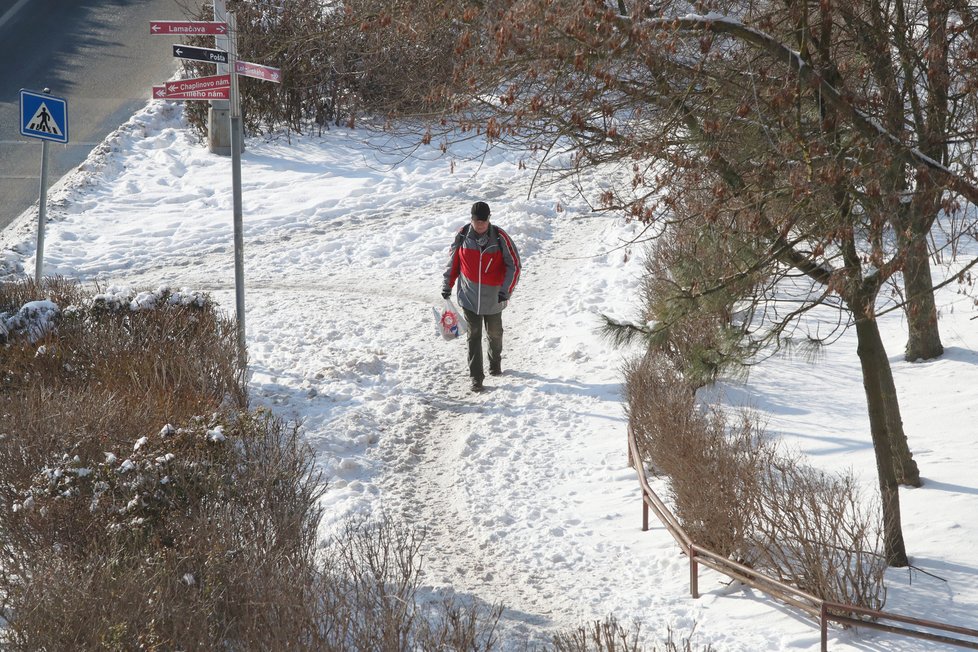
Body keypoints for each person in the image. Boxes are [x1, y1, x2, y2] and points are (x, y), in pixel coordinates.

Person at [442, 201, 521, 392]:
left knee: (495, 334)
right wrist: (447, 284)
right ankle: (476, 377)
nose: (480, 226)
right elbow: (453, 262)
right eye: (477, 222)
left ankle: (495, 362)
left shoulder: (500, 237)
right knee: (474, 335)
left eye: (484, 223)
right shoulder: (463, 235)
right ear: (472, 220)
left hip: (495, 297)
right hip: (469, 297)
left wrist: (506, 290)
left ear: (489, 220)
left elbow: (515, 265)